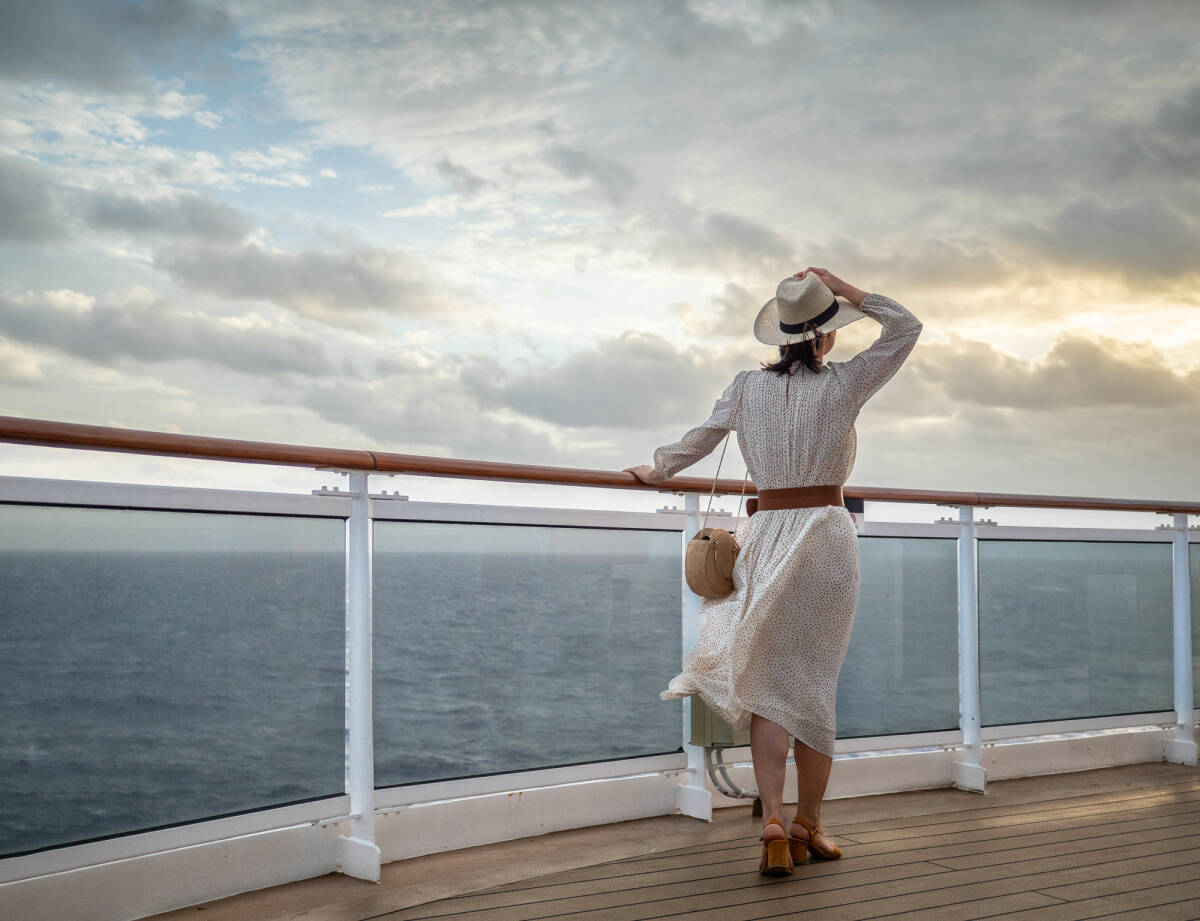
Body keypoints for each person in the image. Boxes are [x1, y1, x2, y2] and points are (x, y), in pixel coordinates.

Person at [625, 266, 922, 875]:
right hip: (825, 540)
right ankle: (810, 824)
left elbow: (700, 440)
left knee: (766, 683)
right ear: (828, 333)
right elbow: (905, 325)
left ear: (781, 335)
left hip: (765, 538)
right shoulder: (847, 382)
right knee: (813, 684)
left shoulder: (745, 386)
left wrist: (654, 471)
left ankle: (772, 822)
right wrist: (844, 286)